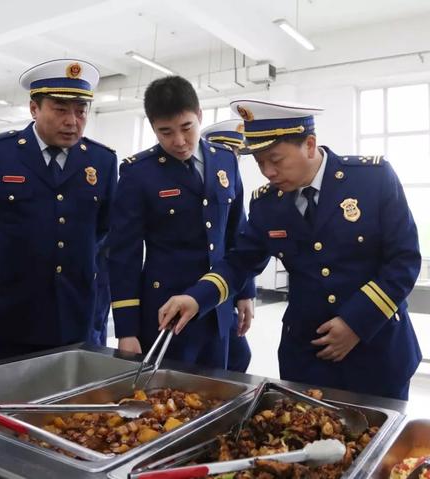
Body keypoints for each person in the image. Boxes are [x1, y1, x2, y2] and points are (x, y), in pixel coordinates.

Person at [160, 99, 422, 400]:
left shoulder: (372, 180)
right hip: (307, 360)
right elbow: (240, 262)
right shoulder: (267, 204)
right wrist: (196, 297)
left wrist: (356, 323)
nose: (268, 172)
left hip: (378, 352)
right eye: (259, 163)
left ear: (310, 145)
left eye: (276, 159)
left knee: (380, 443)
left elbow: (403, 260)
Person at [0, 59, 118, 363]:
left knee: (64, 404)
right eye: (60, 110)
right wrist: (17, 258)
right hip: (7, 307)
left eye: (81, 111)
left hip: (71, 308)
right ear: (34, 108)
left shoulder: (102, 161)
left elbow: (103, 227)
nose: (72, 121)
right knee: (0, 398)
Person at [107, 76, 254, 368]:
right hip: (167, 311)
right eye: (166, 132)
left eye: (187, 128)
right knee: (168, 400)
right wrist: (126, 331)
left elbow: (238, 231)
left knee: (219, 392)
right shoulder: (139, 174)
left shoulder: (225, 160)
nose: (178, 141)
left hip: (218, 305)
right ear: (153, 128)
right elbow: (124, 255)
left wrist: (245, 291)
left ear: (199, 116)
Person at [201, 119, 253, 372]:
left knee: (237, 357)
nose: (232, 158)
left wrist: (246, 294)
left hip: (226, 288)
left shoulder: (231, 185)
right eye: (227, 150)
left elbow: (240, 240)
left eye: (237, 153)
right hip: (192, 288)